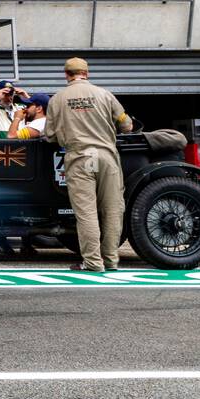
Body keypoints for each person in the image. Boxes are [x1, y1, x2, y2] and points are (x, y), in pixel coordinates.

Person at [45, 58, 134, 272]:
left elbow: (49, 136)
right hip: (106, 157)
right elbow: (127, 125)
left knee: (86, 213)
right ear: (87, 73)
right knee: (112, 210)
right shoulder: (105, 95)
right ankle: (111, 260)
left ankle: (93, 262)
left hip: (80, 158)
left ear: (66, 75)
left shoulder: (57, 99)